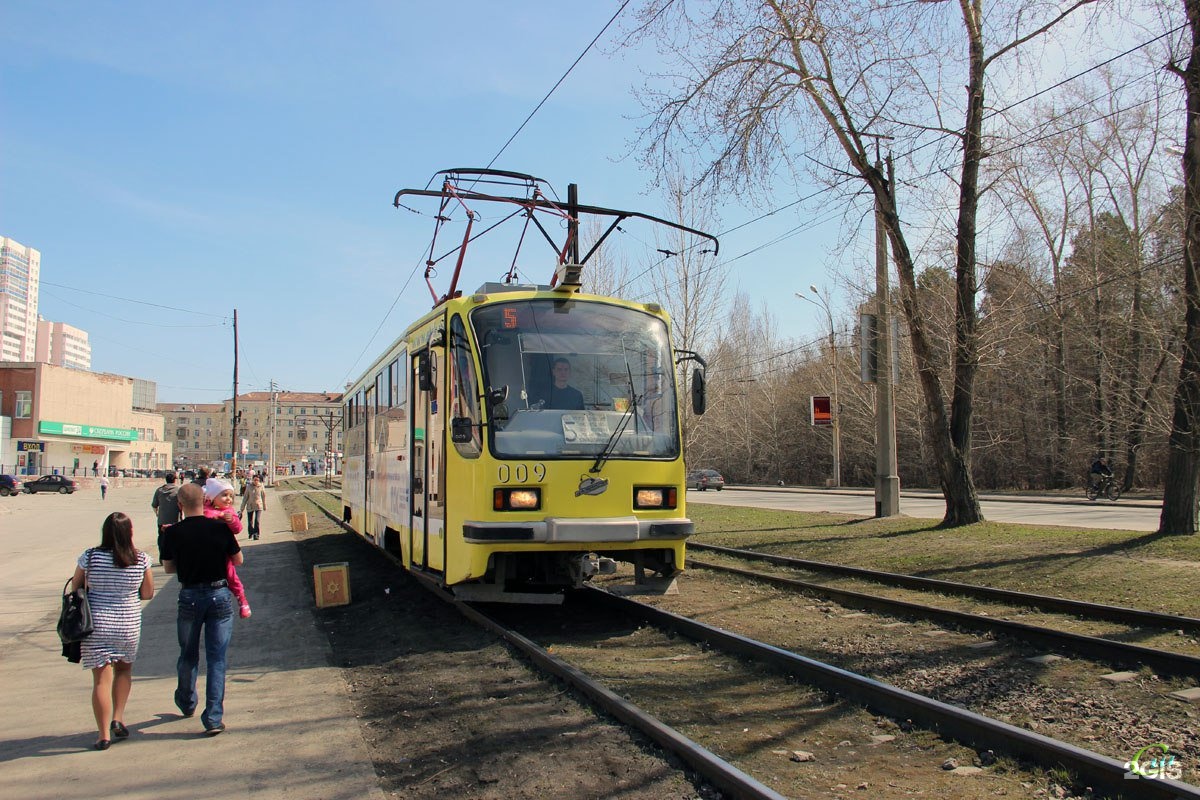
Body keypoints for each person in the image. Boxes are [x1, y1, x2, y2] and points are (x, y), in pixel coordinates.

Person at [161, 483, 243, 735]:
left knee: (187, 653)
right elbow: (238, 560)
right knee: (217, 659)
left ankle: (186, 701)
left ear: (180, 505)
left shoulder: (173, 533)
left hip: (189, 596)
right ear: (205, 500)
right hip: (219, 595)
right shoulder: (220, 528)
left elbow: (168, 568)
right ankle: (213, 719)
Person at [71, 512, 155, 750]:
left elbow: (76, 586)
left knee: (100, 681)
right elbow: (148, 593)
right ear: (130, 532)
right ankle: (118, 716)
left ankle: (103, 734)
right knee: (124, 671)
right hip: (127, 621)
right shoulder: (141, 559)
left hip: (96, 622)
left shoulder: (90, 557)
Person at [203, 478, 251, 618]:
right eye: (224, 495)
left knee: (231, 576)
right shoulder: (206, 509)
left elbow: (238, 529)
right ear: (212, 497)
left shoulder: (230, 512)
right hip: (208, 550)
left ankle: (242, 600)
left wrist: (232, 520)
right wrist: (220, 515)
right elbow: (204, 516)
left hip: (224, 551)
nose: (228, 499)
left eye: (231, 496)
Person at [151, 472, 183, 555]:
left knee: (161, 538)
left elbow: (154, 505)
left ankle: (162, 555)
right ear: (175, 480)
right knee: (175, 538)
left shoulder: (159, 490)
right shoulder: (178, 490)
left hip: (162, 520)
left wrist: (157, 514)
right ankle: (173, 555)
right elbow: (182, 505)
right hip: (175, 520)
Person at [240, 473, 267, 540]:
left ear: (259, 480)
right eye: (254, 480)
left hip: (258, 505)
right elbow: (245, 497)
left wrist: (264, 505)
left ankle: (256, 534)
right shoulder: (249, 486)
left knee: (257, 520)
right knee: (250, 521)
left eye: (257, 480)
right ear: (252, 480)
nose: (256, 481)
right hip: (250, 506)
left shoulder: (261, 486)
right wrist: (242, 508)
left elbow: (263, 496)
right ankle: (251, 532)